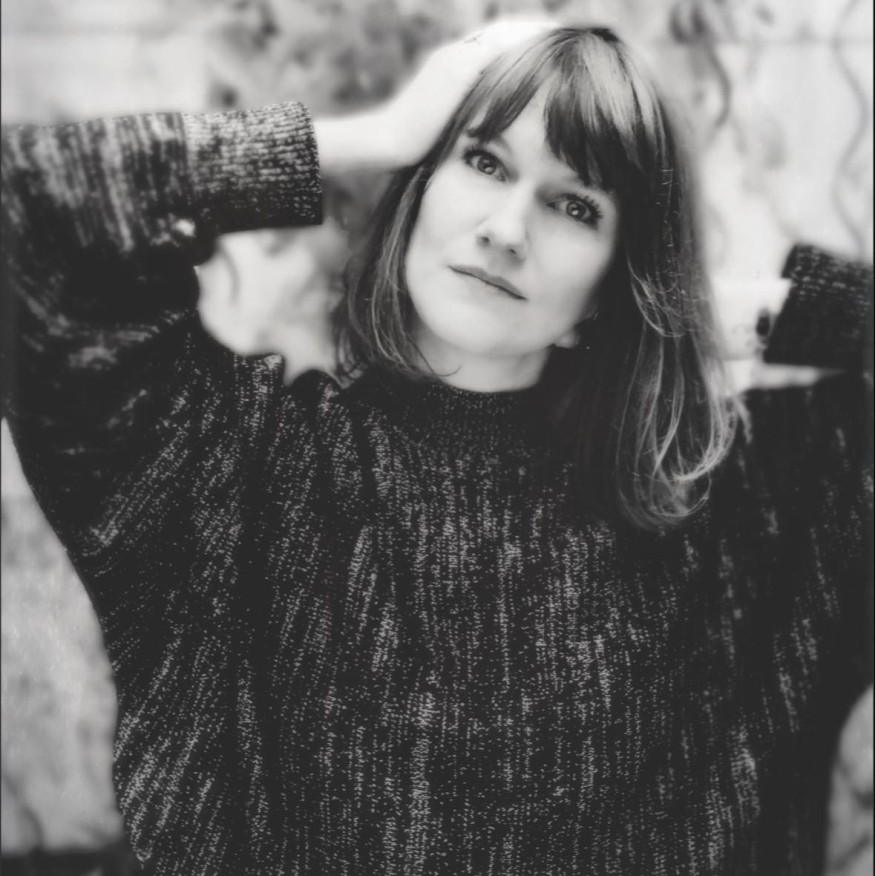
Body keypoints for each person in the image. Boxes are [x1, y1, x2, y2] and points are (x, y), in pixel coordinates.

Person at [1, 20, 871, 876]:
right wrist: (369, 137)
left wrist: (745, 314)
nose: (506, 229)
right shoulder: (236, 467)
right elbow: (24, 207)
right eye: (484, 161)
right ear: (416, 188)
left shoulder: (727, 504)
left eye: (575, 206)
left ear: (617, 279)